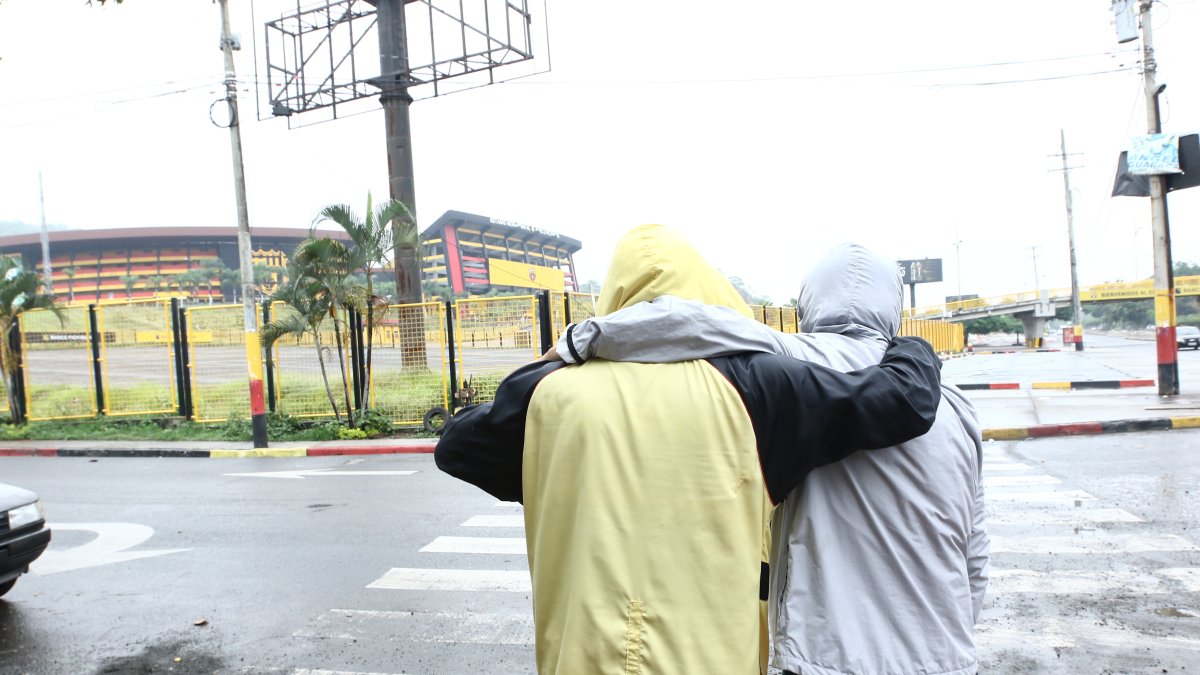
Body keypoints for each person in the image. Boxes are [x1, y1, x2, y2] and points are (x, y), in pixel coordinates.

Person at [435, 226, 945, 674]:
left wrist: (563, 359)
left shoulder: (545, 395)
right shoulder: (760, 386)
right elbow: (902, 402)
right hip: (713, 658)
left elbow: (455, 447)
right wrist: (913, 347)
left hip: (580, 659)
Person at [549, 242, 989, 675]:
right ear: (893, 306)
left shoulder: (794, 362)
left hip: (826, 656)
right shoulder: (956, 406)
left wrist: (579, 339)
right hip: (946, 654)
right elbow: (974, 557)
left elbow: (684, 322)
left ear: (810, 303)